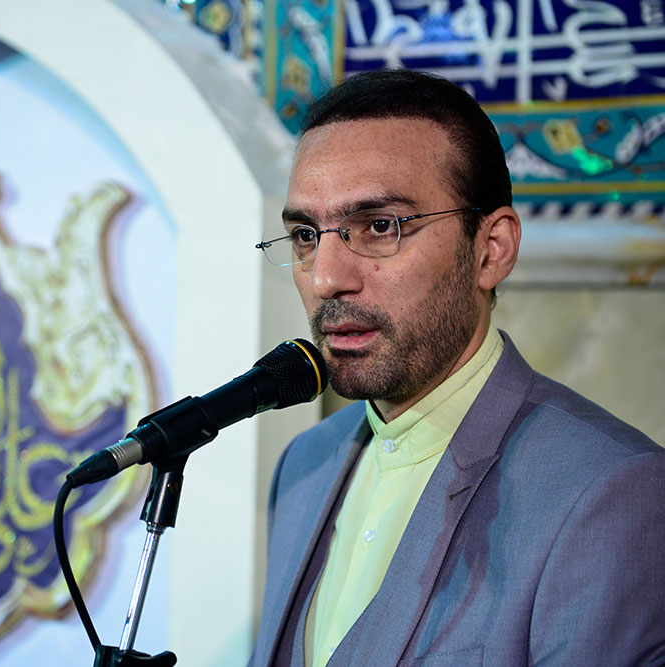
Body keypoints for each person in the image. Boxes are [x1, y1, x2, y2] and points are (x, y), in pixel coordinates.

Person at [249, 68, 665, 667]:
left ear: (491, 249)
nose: (326, 278)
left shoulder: (610, 494)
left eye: (381, 226)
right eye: (306, 235)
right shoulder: (304, 466)